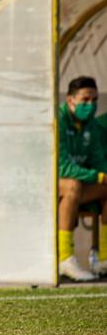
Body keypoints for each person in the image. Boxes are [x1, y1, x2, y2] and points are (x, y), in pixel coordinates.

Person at [57, 76, 107, 280]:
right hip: (46, 183)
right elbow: (61, 167)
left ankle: (103, 258)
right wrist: (97, 176)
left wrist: (104, 175)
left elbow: (98, 160)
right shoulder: (57, 120)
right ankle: (64, 259)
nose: (90, 105)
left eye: (94, 100)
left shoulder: (91, 126)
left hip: (77, 183)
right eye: (85, 99)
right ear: (70, 100)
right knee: (72, 186)